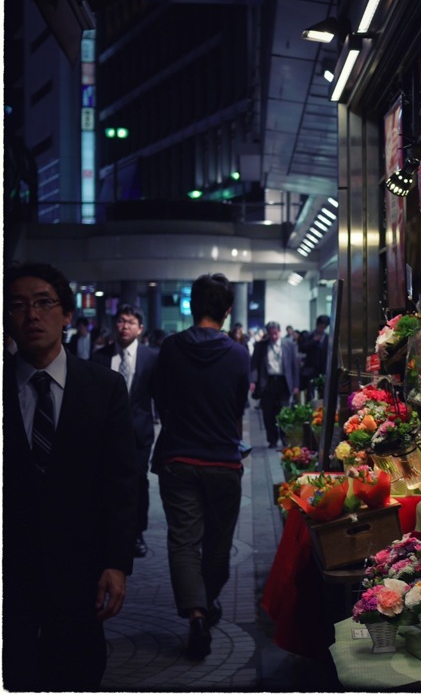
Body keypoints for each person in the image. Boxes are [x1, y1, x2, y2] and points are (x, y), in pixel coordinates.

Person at [3, 261, 137, 690]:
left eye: (44, 303)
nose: (32, 315)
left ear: (66, 315)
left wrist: (117, 563)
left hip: (81, 565)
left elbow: (121, 481)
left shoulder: (103, 387)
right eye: (19, 305)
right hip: (11, 569)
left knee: (79, 669)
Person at [151, 273, 250, 660]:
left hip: (178, 458)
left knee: (183, 541)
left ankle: (196, 613)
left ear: (192, 306)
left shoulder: (171, 349)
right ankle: (205, 604)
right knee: (218, 546)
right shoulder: (239, 354)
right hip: (224, 462)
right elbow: (239, 403)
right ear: (227, 312)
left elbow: (160, 397)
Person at [93, 304, 160, 558]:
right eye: (121, 321)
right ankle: (108, 530)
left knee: (138, 484)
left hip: (139, 433)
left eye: (130, 322)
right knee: (106, 481)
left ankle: (136, 533)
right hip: (105, 433)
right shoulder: (100, 356)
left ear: (140, 329)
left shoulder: (151, 356)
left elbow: (158, 394)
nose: (125, 326)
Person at [250, 320, 301, 448]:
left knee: (284, 412)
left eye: (275, 333)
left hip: (283, 382)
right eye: (271, 334)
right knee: (268, 412)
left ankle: (284, 438)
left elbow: (295, 366)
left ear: (279, 332)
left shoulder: (289, 345)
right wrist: (253, 381)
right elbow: (254, 364)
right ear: (267, 333)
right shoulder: (261, 345)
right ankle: (272, 439)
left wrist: (296, 385)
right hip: (267, 382)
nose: (273, 336)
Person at [300, 313, 331, 397]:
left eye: (324, 326)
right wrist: (314, 341)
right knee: (311, 393)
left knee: (323, 393)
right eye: (320, 326)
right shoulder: (309, 335)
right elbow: (302, 348)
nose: (321, 328)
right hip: (311, 370)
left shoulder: (328, 338)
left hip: (323, 370)